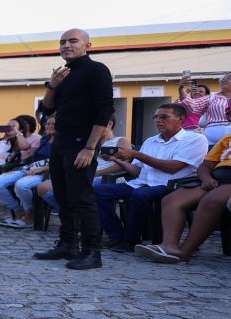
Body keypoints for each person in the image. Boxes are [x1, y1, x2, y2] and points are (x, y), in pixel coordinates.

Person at [33, 28, 115, 269]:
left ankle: (92, 252)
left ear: (87, 45)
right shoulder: (63, 74)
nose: (66, 45)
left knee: (82, 197)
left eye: (72, 41)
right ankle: (68, 244)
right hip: (61, 141)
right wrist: (52, 85)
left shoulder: (97, 70)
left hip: (83, 142)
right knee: (63, 196)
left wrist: (90, 147)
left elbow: (104, 110)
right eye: (62, 42)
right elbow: (47, 109)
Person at [93, 103, 207, 253]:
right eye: (156, 117)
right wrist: (116, 160)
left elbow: (173, 167)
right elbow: (136, 172)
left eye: (164, 117)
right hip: (141, 183)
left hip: (172, 186)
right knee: (96, 192)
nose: (158, 120)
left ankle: (130, 240)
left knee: (140, 194)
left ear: (181, 118)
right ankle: (116, 235)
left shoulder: (195, 139)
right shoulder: (150, 141)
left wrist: (136, 154)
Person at [135, 132, 231, 263]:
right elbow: (205, 166)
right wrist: (206, 178)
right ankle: (169, 246)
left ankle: (184, 253)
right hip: (216, 178)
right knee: (171, 200)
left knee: (211, 201)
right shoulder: (227, 138)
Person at [0, 115, 55, 228]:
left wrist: (40, 169)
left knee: (21, 185)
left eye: (53, 124)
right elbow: (28, 154)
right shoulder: (44, 139)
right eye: (47, 124)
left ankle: (30, 215)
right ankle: (18, 212)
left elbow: (60, 163)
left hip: (47, 173)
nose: (48, 126)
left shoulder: (63, 142)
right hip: (30, 168)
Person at [180, 72, 231, 146]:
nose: (224, 80)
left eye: (229, 78)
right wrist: (181, 89)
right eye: (223, 78)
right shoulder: (211, 98)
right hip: (212, 138)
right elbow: (191, 105)